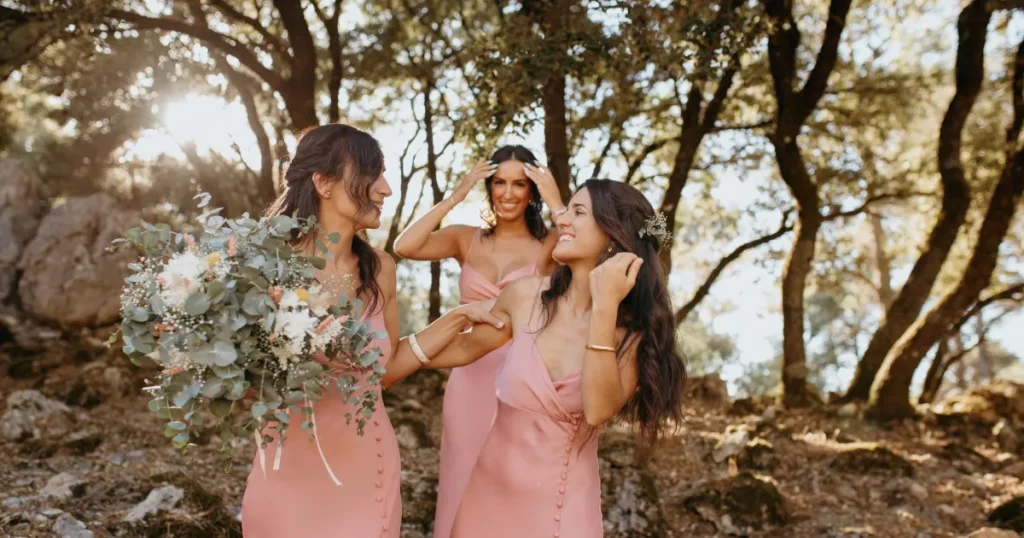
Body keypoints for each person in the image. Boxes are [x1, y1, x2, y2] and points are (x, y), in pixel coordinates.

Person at [385, 179, 687, 538]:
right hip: (483, 505)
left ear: (612, 235)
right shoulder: (525, 296)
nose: (561, 219)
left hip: (560, 515)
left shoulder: (632, 335)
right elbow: (463, 349)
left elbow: (598, 410)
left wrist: (604, 308)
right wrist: (384, 357)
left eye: (578, 212)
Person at [242, 124, 406, 537]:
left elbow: (386, 371)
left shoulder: (381, 269)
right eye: (370, 173)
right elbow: (243, 381)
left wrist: (459, 325)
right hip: (285, 473)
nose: (385, 189)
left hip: (366, 470)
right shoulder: (266, 266)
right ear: (323, 183)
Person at [392, 145, 563, 538]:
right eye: (499, 183)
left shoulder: (551, 245)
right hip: (468, 382)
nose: (508, 193)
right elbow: (405, 246)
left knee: (515, 488)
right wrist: (456, 195)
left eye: (519, 184)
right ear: (489, 188)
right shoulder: (464, 239)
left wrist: (556, 201)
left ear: (532, 192)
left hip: (524, 382)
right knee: (462, 482)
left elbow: (590, 249)